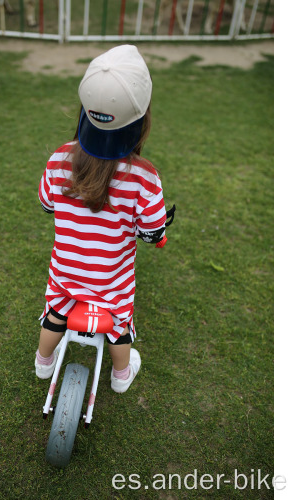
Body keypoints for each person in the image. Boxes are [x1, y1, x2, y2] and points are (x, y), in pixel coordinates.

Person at [35, 45, 173, 393]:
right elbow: (151, 229)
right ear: (141, 119)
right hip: (111, 283)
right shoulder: (145, 177)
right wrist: (155, 235)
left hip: (67, 275)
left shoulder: (58, 159)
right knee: (119, 324)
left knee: (57, 310)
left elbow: (47, 204)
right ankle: (121, 375)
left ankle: (43, 361)